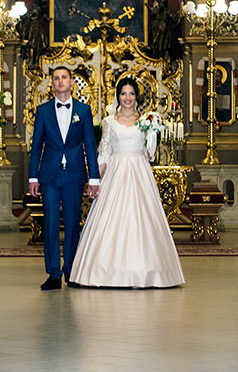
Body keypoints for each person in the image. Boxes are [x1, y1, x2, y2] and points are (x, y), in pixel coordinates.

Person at [70, 77, 185, 289]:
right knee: (110, 220)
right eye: (124, 93)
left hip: (140, 172)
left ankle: (148, 271)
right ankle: (104, 272)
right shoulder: (109, 122)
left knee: (142, 220)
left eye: (131, 93)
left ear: (137, 97)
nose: (128, 98)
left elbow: (150, 155)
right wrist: (94, 179)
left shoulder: (147, 120)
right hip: (116, 172)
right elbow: (104, 153)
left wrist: (152, 134)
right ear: (118, 96)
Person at [28, 66, 100, 290]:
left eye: (64, 78)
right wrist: (33, 177)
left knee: (72, 223)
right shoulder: (42, 111)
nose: (60, 81)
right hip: (49, 176)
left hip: (74, 175)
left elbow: (90, 145)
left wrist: (94, 178)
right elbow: (37, 146)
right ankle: (53, 273)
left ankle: (71, 270)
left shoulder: (84, 111)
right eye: (56, 78)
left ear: (71, 82)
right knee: (50, 223)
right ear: (52, 83)